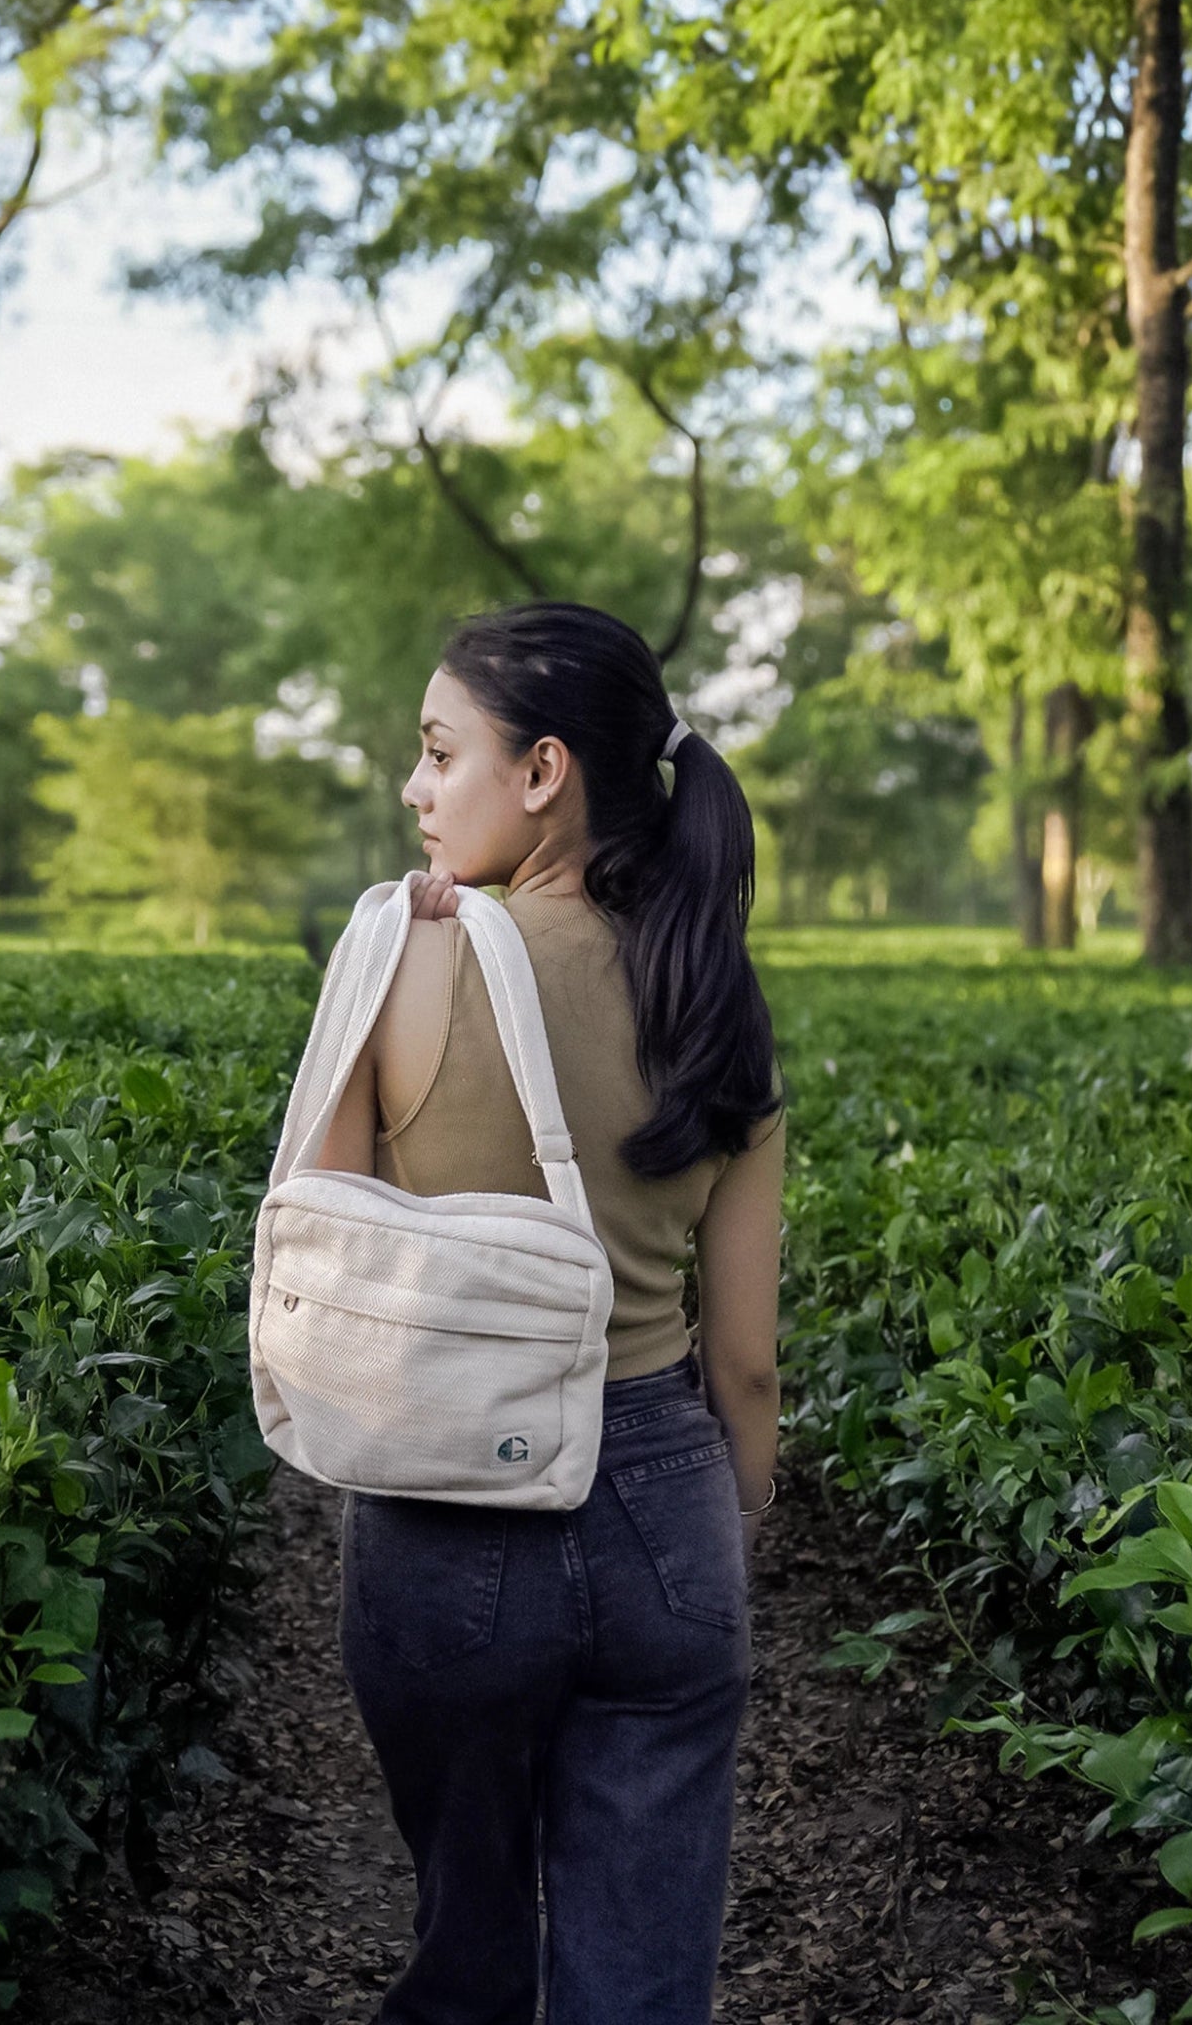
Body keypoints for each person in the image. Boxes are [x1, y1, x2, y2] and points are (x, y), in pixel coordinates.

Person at [306, 599, 788, 2025]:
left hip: (451, 1513)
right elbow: (748, 1365)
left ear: (542, 773)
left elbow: (330, 1240)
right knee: (639, 1989)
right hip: (663, 1500)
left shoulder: (414, 954)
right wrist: (717, 1527)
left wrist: (401, 961)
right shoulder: (719, 988)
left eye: (438, 752)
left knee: (467, 1954)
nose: (415, 786)